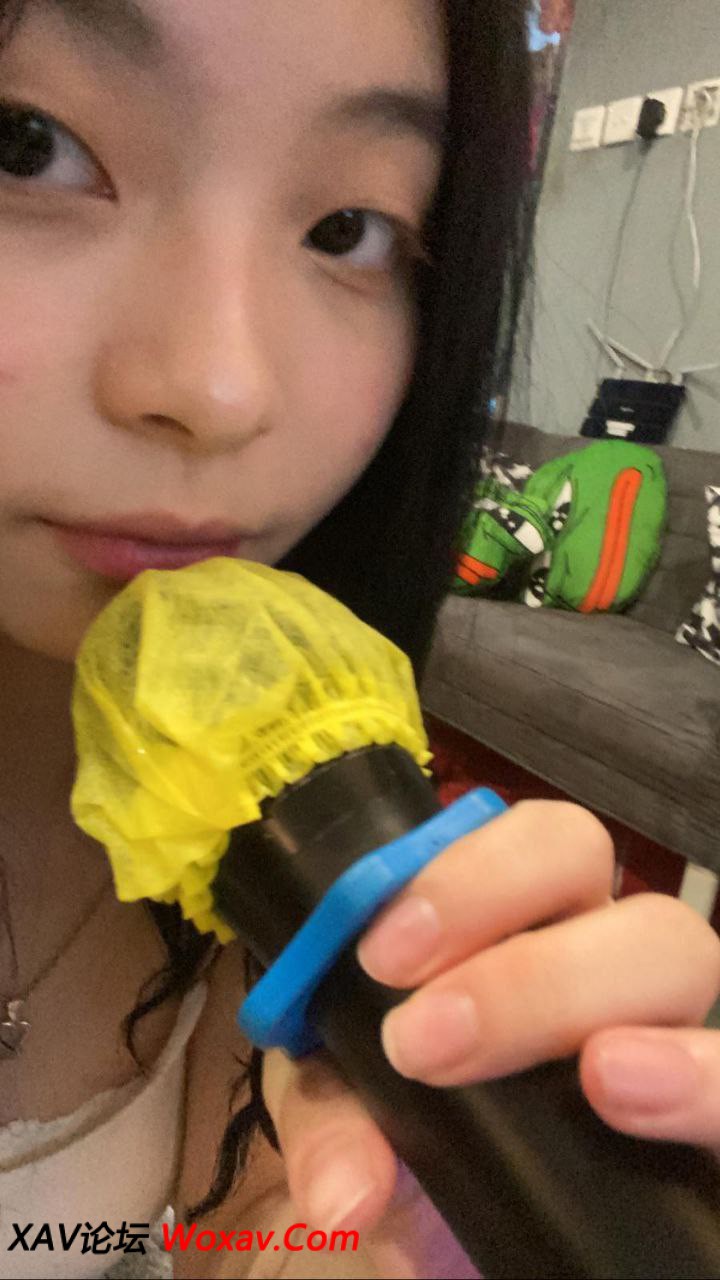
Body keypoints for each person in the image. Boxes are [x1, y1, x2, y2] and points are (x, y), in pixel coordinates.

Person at [0, 2, 717, 1278]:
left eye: (348, 229)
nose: (222, 388)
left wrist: (366, 1236)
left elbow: (179, 1225)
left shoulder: (211, 807)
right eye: (28, 145)